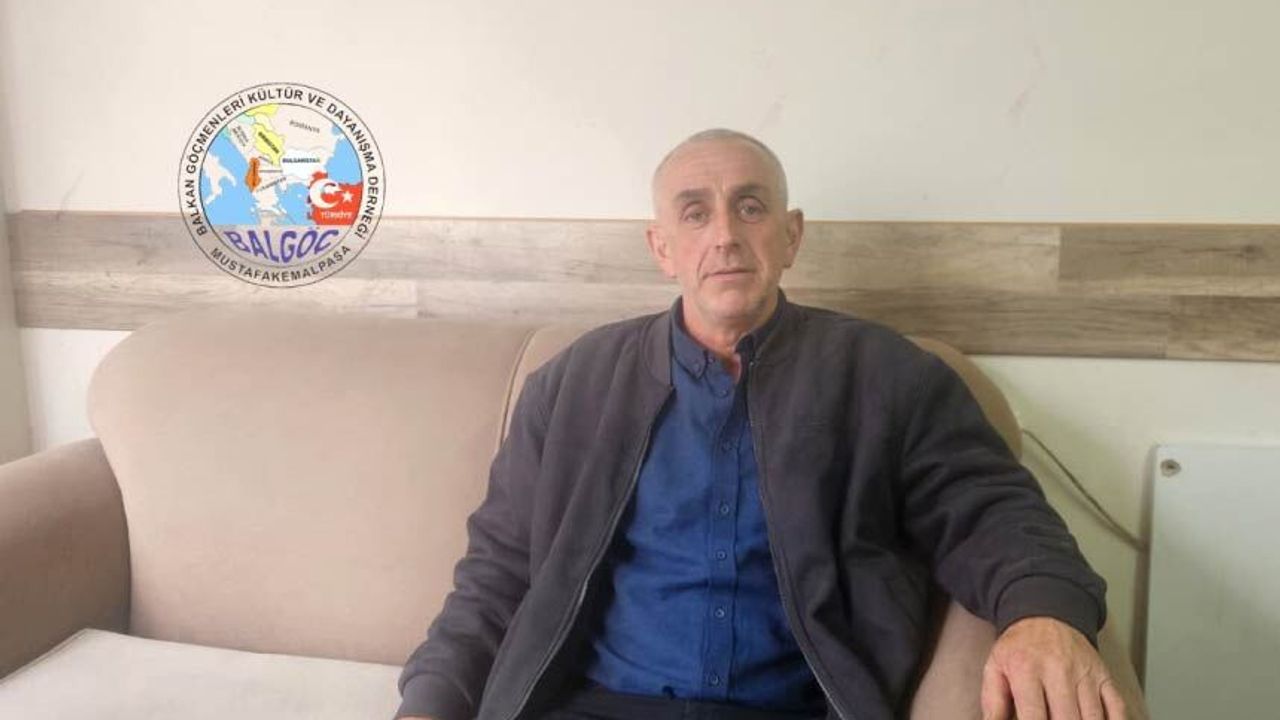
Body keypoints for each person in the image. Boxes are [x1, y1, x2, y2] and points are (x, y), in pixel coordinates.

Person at [396, 129, 1126, 720]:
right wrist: (430, 704)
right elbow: (495, 576)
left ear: (791, 235)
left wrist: (1044, 612)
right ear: (661, 248)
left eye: (749, 207)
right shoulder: (572, 386)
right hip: (595, 705)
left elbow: (990, 509)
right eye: (694, 213)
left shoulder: (890, 377)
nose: (724, 235)